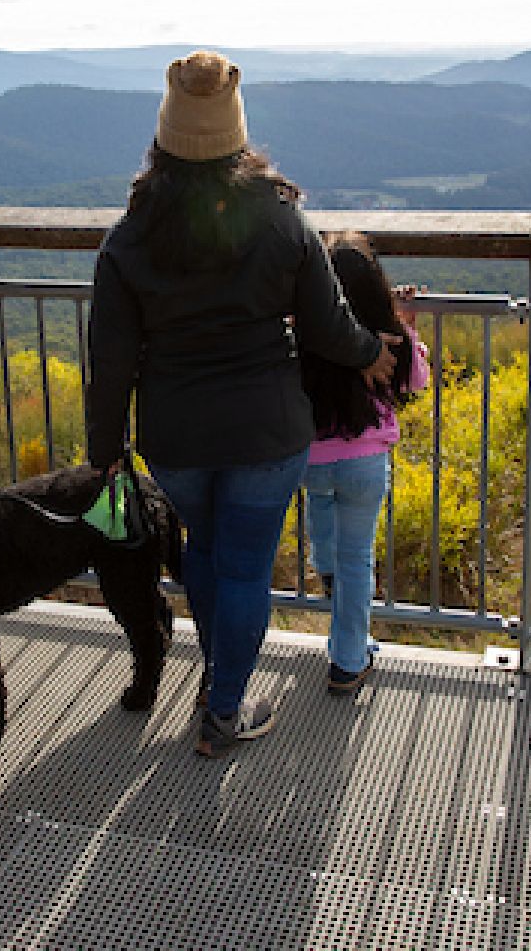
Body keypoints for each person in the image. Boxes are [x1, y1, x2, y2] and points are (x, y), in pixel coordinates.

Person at [85, 50, 397, 757]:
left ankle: (215, 678)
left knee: (204, 546)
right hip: (266, 432)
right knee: (248, 566)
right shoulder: (283, 219)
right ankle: (224, 708)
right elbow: (328, 325)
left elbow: (111, 365)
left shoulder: (128, 238)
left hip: (176, 437)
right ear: (237, 131)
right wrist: (370, 353)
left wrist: (105, 454)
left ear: (164, 136)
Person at [299, 232, 429, 695]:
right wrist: (405, 325)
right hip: (365, 463)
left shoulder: (306, 336)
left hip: (309, 461)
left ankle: (325, 567)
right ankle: (349, 659)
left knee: (322, 510)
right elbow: (416, 382)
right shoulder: (388, 340)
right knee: (359, 557)